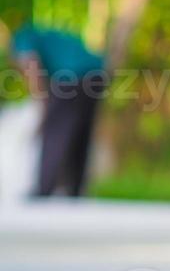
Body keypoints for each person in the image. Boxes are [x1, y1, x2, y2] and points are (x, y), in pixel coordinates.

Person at [7, 19, 108, 197]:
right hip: (97, 73)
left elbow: (31, 66)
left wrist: (41, 102)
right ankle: (76, 189)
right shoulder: (47, 34)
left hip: (70, 76)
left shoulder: (22, 38)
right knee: (81, 133)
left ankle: (44, 190)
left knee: (55, 133)